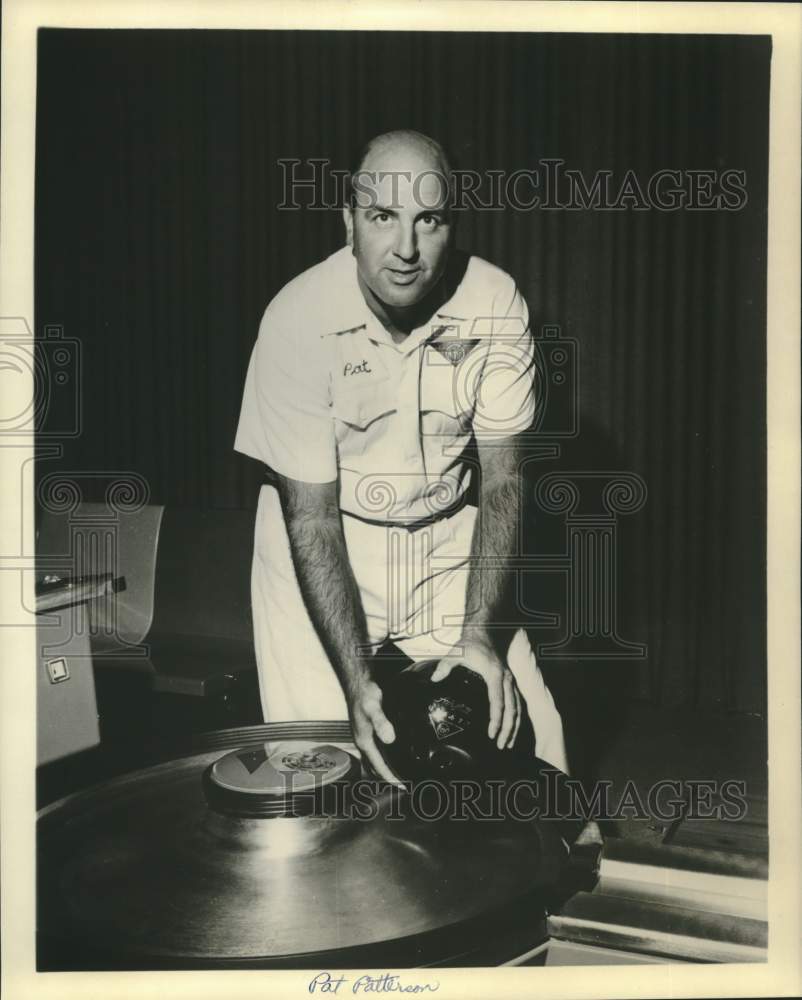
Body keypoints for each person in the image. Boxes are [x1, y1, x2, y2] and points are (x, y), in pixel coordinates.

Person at [235, 129, 568, 783]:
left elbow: (503, 481)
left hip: (445, 542)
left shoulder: (495, 303)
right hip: (327, 545)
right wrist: (358, 683)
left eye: (429, 220)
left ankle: (563, 864)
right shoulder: (296, 320)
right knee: (318, 772)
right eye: (383, 217)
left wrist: (476, 636)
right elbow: (312, 520)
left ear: (452, 225)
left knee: (533, 738)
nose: (406, 249)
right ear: (350, 222)